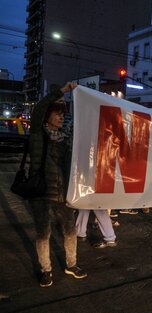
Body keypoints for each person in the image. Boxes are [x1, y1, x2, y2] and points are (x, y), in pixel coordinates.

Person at [28, 82, 87, 287]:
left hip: (63, 194)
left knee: (70, 231)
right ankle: (46, 270)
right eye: (58, 113)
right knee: (43, 233)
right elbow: (40, 107)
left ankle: (72, 265)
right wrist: (62, 91)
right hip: (41, 193)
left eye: (63, 113)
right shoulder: (38, 134)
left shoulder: (66, 139)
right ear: (48, 116)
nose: (62, 117)